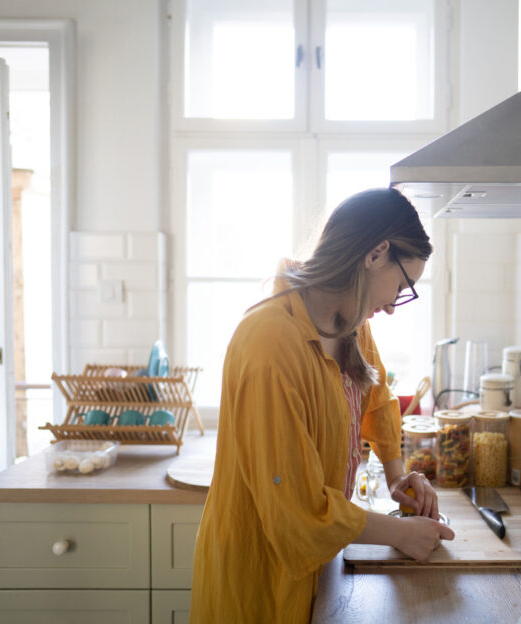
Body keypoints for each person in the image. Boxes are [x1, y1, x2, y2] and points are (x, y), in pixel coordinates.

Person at [189, 188, 455, 623]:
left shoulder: (349, 323)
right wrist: (399, 534)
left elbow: (377, 395)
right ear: (375, 253)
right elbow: (296, 509)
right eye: (403, 284)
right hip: (259, 577)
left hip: (316, 562)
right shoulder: (269, 342)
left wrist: (397, 475)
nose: (392, 306)